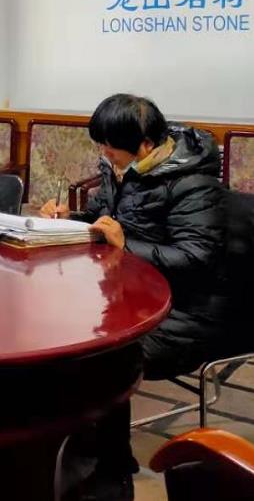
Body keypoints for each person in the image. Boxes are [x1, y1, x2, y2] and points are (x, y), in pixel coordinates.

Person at [43, 95, 242, 500]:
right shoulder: (121, 167)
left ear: (146, 145)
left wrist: (125, 245)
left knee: (99, 359)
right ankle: (75, 459)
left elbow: (197, 258)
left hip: (187, 313)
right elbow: (103, 219)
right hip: (129, 297)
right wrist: (70, 219)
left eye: (110, 147)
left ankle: (108, 475)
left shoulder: (193, 185)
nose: (104, 154)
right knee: (60, 339)